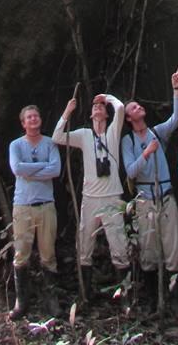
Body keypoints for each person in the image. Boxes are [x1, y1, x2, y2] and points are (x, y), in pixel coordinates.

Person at [52, 92, 129, 297]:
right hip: (90, 198)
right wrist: (68, 111)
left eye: (101, 106)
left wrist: (107, 97)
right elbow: (57, 137)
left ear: (106, 114)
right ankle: (86, 294)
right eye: (95, 106)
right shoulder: (84, 135)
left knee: (119, 244)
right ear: (90, 114)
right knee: (85, 243)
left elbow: (120, 108)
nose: (98, 107)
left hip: (112, 196)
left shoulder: (113, 132)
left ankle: (124, 296)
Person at [122, 68, 178, 307]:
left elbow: (176, 119)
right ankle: (150, 295)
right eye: (134, 109)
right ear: (128, 118)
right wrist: (147, 154)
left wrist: (177, 90)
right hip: (144, 199)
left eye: (138, 106)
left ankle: (174, 293)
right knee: (148, 249)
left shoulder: (157, 132)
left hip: (165, 195)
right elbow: (130, 171)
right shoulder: (128, 142)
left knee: (173, 246)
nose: (139, 109)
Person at [8, 104, 61, 320]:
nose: (33, 119)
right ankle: (22, 301)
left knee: (48, 254)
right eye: (29, 117)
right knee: (21, 254)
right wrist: (42, 168)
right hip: (23, 206)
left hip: (46, 205)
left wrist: (29, 171)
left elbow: (55, 170)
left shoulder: (50, 143)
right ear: (23, 123)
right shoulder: (16, 145)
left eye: (36, 116)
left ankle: (51, 300)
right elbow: (16, 169)